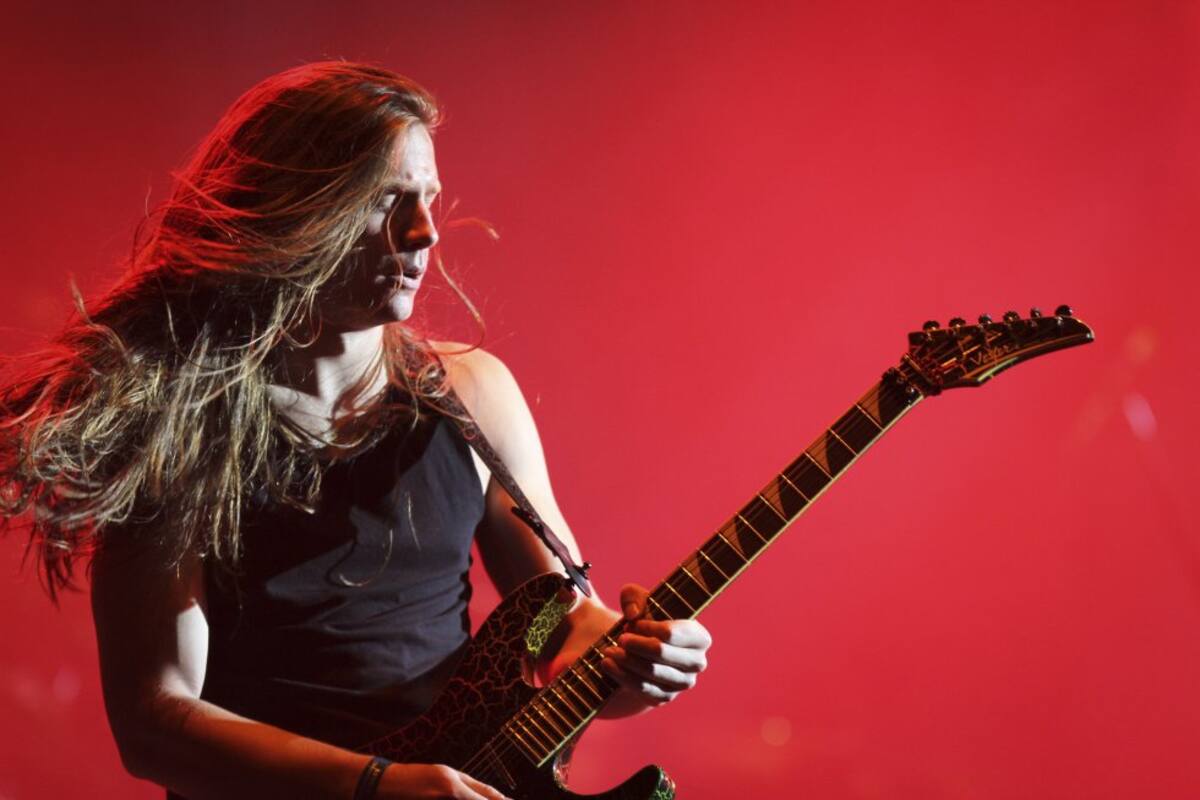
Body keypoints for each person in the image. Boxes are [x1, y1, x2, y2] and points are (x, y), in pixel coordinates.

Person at [0, 62, 712, 799]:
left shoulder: (472, 393)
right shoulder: (176, 422)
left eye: (430, 198)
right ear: (293, 210)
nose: (424, 231)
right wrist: (375, 787)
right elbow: (155, 722)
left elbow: (553, 629)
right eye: (385, 200)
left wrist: (635, 660)